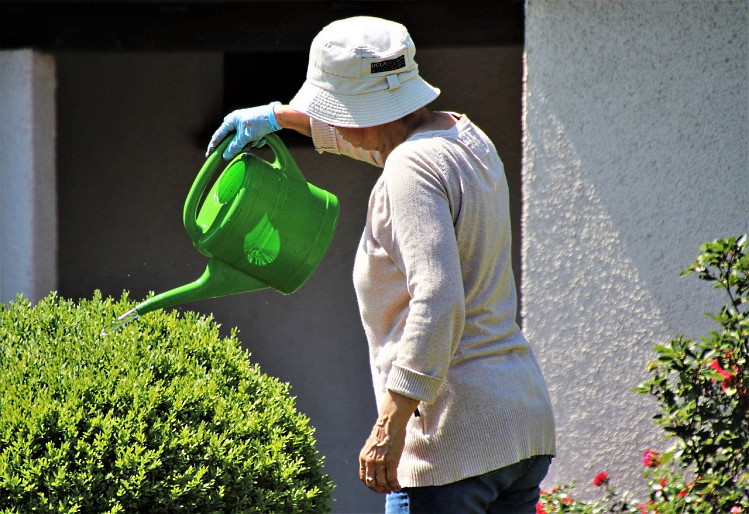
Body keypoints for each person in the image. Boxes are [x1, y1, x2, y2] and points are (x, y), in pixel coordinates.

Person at [206, 16, 556, 514]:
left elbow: (437, 299)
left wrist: (391, 427)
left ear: (357, 109)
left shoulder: (408, 170)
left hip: (451, 439)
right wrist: (283, 117)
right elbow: (385, 141)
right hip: (519, 422)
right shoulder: (463, 136)